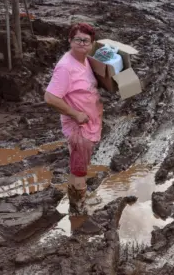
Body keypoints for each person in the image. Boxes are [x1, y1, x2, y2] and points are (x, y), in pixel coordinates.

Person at [44, 22, 103, 216]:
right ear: (70, 41)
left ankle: (77, 200)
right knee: (79, 170)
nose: (82, 43)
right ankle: (78, 211)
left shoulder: (85, 60)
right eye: (78, 39)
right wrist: (76, 114)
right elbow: (50, 97)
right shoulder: (65, 67)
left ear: (92, 43)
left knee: (78, 166)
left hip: (88, 124)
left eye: (86, 40)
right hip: (79, 128)